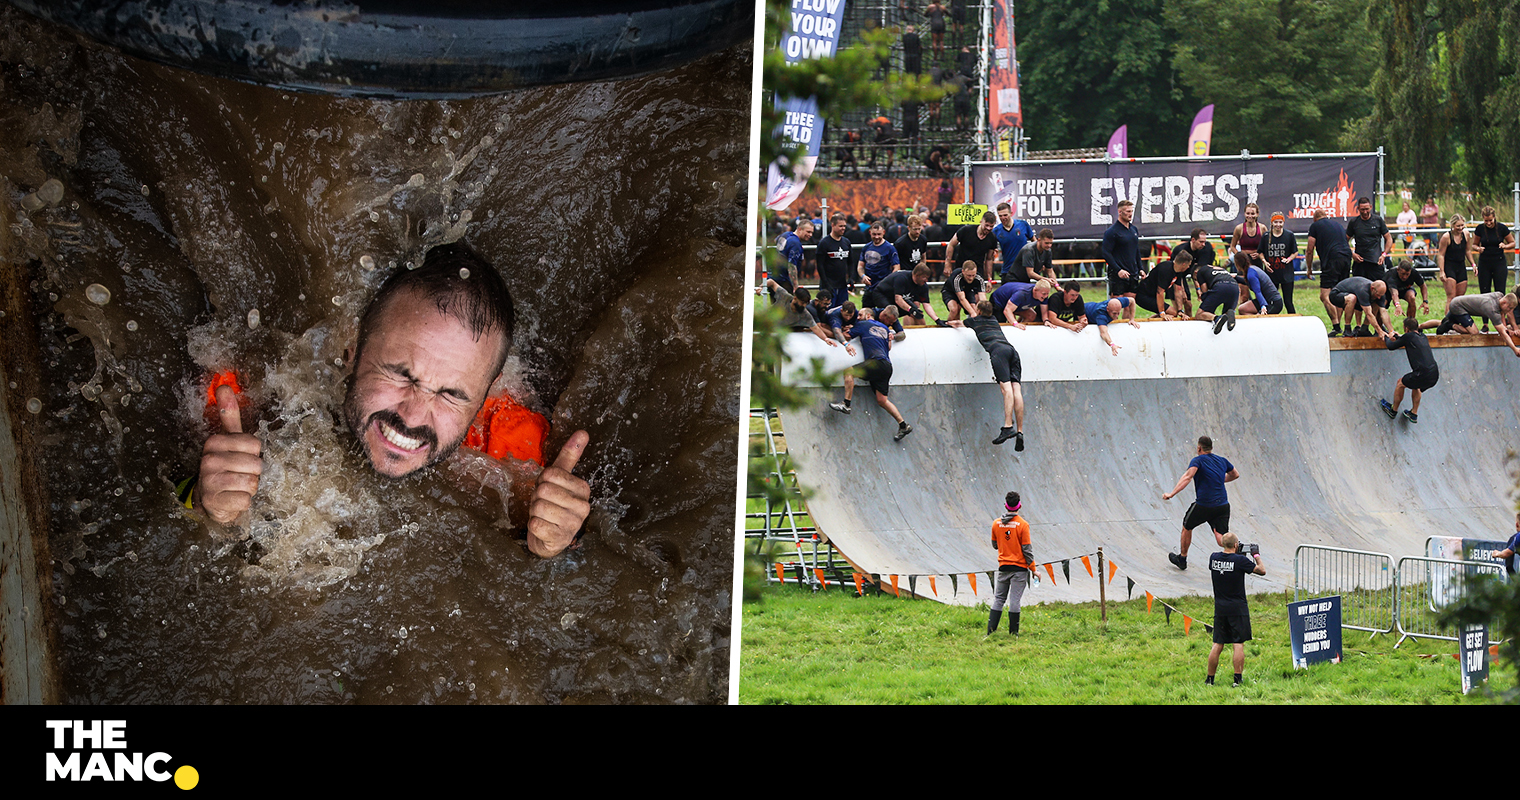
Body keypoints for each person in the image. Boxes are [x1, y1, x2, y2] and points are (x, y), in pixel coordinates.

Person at [193, 243, 592, 558]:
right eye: (402, 374)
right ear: (352, 349)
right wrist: (204, 503)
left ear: (486, 396)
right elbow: (169, 500)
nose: (413, 416)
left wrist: (552, 545)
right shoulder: (248, 396)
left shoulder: (514, 448)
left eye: (451, 394)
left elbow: (553, 554)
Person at [829, 306, 914, 442]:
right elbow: (889, 347)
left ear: (868, 316)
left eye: (860, 315)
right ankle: (903, 425)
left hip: (876, 362)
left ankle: (846, 404)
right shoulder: (885, 329)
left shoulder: (863, 324)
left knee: (848, 372)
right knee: (882, 400)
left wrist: (830, 332)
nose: (857, 317)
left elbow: (847, 336)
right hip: (887, 366)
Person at [952, 300, 1027, 447]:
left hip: (998, 352)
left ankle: (1007, 427)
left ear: (978, 311)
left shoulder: (974, 321)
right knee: (1016, 390)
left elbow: (957, 323)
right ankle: (1020, 431)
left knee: (1006, 390)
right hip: (1012, 351)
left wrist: (944, 323)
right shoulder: (993, 319)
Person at [1163, 435, 1239, 571]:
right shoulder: (1222, 460)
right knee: (1220, 537)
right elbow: (1235, 474)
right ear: (1211, 448)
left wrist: (1171, 494)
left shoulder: (1198, 460)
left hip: (1204, 505)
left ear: (1199, 448)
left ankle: (1182, 559)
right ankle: (1239, 549)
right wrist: (1219, 480)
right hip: (1222, 505)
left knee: (1187, 526)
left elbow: (1188, 476)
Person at [1206, 533, 1265, 687]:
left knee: (1217, 643)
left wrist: (1235, 553)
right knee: (1238, 643)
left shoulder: (1213, 557)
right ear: (1236, 545)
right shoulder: (1240, 560)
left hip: (1220, 607)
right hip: (1237, 608)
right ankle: (1237, 680)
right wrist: (1256, 555)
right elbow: (1261, 570)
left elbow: (1227, 561)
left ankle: (1210, 680)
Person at [986, 491, 1035, 635]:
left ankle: (990, 631)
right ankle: (1013, 633)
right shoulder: (1023, 525)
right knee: (1014, 600)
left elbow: (995, 545)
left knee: (999, 599)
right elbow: (1027, 550)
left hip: (1003, 567)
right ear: (1019, 505)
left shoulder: (996, 524)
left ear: (1005, 505)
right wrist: (1034, 569)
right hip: (1019, 569)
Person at [1379, 317, 1438, 424]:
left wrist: (1386, 336)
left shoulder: (1408, 337)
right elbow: (1406, 340)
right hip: (1434, 374)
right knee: (1416, 386)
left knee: (1400, 383)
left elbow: (1391, 346)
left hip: (1422, 373)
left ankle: (1393, 410)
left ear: (1406, 328)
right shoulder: (1422, 336)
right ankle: (1413, 413)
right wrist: (1397, 336)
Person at [1306, 209, 1354, 334]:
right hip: (1346, 258)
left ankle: (1336, 325)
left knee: (1324, 295)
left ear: (1315, 219)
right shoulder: (1337, 224)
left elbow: (1310, 249)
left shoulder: (1315, 226)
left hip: (1332, 259)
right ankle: (1341, 325)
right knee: (1339, 293)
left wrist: (1309, 268)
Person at [1430, 292, 1520, 357]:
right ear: (1504, 303)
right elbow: (1503, 334)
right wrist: (1514, 349)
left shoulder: (1499, 296)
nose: (1509, 311)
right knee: (1474, 332)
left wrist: (1505, 327)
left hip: (1458, 301)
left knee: (1441, 322)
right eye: (1509, 308)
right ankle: (1450, 325)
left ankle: (1418, 327)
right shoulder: (1492, 309)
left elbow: (1501, 313)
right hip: (1458, 307)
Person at [876, 264, 948, 326]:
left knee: (918, 314)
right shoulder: (902, 278)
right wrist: (910, 309)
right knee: (890, 315)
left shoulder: (923, 286)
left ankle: (922, 334)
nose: (926, 280)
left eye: (927, 278)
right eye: (924, 277)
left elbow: (926, 304)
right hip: (883, 295)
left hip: (899, 298)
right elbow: (898, 299)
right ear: (917, 275)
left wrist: (937, 320)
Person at [1471, 206, 1515, 304]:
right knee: (1484, 291)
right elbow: (1474, 244)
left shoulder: (1502, 228)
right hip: (1484, 262)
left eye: (1490, 220)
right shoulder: (1480, 229)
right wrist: (1478, 248)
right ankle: (1485, 318)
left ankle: (1500, 317)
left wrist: (1505, 246)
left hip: (1499, 262)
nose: (1488, 223)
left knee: (1500, 292)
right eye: (1486, 221)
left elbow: (1513, 242)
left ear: (1494, 217)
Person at [1102, 200, 1143, 299]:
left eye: (1131, 211)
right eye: (1128, 211)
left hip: (1132, 272)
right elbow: (1106, 252)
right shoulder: (1112, 231)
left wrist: (1140, 268)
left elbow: (1136, 250)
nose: (1130, 214)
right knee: (1116, 305)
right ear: (1120, 212)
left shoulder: (1134, 229)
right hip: (1118, 274)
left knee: (1130, 304)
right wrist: (1118, 270)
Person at [943, 210, 1000, 282]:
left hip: (978, 271)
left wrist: (989, 278)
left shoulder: (992, 238)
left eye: (991, 226)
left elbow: (989, 259)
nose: (988, 228)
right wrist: (947, 263)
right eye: (986, 225)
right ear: (981, 222)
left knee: (978, 293)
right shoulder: (966, 230)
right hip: (961, 268)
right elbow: (951, 244)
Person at [1136, 248, 1193, 319]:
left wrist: (1180, 310)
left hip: (1153, 296)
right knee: (1171, 313)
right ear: (1184, 264)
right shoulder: (1165, 270)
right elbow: (1160, 292)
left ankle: (1151, 321)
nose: (1188, 267)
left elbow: (1178, 291)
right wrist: (1162, 313)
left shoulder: (1178, 271)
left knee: (1173, 313)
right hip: (1143, 296)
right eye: (1188, 265)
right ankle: (1151, 323)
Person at [1327, 276, 1391, 338]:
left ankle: (1364, 329)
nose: (1379, 297)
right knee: (1352, 298)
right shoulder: (1363, 290)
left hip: (1354, 294)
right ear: (1372, 288)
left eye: (1381, 295)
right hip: (1336, 294)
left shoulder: (1380, 293)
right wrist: (1379, 331)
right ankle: (1347, 328)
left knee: (1376, 302)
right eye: (1378, 295)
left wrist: (1391, 331)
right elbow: (1369, 314)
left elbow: (1384, 312)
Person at [1345, 196, 1392, 280]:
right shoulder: (1354, 222)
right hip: (1360, 263)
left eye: (1367, 209)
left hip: (1376, 262)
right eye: (1362, 210)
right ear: (1358, 208)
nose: (1365, 212)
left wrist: (1384, 254)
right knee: (1359, 288)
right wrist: (1352, 254)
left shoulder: (1378, 220)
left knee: (1378, 288)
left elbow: (1388, 238)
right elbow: (1345, 240)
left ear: (1371, 207)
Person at [1436, 214, 1474, 315]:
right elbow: (1441, 255)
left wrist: (1473, 264)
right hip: (1450, 267)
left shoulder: (1466, 234)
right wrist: (1442, 271)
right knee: (1451, 297)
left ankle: (1457, 322)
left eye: (1462, 225)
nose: (1460, 228)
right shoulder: (1446, 237)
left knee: (1459, 299)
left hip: (1461, 266)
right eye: (1458, 226)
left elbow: (1468, 250)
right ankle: (1448, 324)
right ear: (1452, 225)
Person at [1261, 212, 1299, 314]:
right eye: (1276, 222)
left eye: (1280, 222)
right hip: (1272, 273)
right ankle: (1270, 320)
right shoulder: (1266, 236)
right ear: (1272, 223)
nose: (1278, 225)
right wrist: (1264, 262)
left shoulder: (1289, 235)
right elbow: (1260, 252)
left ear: (1283, 222)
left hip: (1286, 273)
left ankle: (1294, 321)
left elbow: (1295, 252)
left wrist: (1289, 259)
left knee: (1288, 301)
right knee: (1272, 301)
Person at [815, 213, 854, 308]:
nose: (843, 228)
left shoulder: (846, 242)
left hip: (842, 285)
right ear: (833, 225)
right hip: (829, 285)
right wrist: (826, 283)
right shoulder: (824, 243)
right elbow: (820, 265)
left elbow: (851, 262)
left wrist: (852, 278)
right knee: (828, 311)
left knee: (843, 310)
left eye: (844, 226)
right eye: (840, 226)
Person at [1194, 260, 1241, 334]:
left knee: (1200, 314)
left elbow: (1205, 291)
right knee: (1227, 314)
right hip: (1235, 287)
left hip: (1220, 286)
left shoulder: (1200, 271)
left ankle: (1217, 318)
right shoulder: (1220, 269)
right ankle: (1229, 313)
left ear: (1195, 273)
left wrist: (1204, 300)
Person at [857, 220, 901, 298]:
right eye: (874, 234)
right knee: (866, 310)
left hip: (884, 288)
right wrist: (863, 276)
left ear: (883, 232)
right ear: (870, 233)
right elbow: (860, 266)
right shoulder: (866, 247)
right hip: (869, 287)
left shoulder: (890, 248)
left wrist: (889, 281)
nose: (876, 237)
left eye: (879, 234)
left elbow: (897, 267)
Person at [993, 202, 1034, 281]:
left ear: (1011, 213)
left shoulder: (1023, 225)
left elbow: (1034, 242)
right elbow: (990, 248)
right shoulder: (996, 231)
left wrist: (1037, 259)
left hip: (1023, 270)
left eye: (1005, 215)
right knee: (1006, 293)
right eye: (1000, 216)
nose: (1003, 218)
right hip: (1007, 270)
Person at [1382, 259, 1430, 323]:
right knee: (1381, 306)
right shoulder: (1391, 275)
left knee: (1412, 297)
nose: (1405, 277)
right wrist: (1398, 305)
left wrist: (1425, 301)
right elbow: (1394, 294)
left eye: (1407, 274)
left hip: (1405, 289)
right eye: (1403, 274)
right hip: (1389, 291)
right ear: (1398, 270)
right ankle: (1380, 328)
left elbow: (1423, 286)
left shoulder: (1414, 273)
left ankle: (1411, 324)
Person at [773, 219, 812, 295]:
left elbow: (775, 240)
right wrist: (795, 286)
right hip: (783, 281)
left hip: (774, 277)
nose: (810, 235)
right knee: (786, 306)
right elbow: (791, 266)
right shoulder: (795, 243)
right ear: (800, 229)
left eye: (811, 233)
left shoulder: (786, 234)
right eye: (808, 232)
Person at [1230, 202, 1266, 267]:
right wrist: (1239, 255)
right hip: (1243, 262)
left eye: (1252, 214)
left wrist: (1259, 254)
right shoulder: (1239, 228)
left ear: (1257, 214)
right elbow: (1232, 246)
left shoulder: (1262, 228)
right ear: (1244, 214)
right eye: (1248, 213)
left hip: (1257, 261)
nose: (1250, 216)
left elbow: (1267, 246)